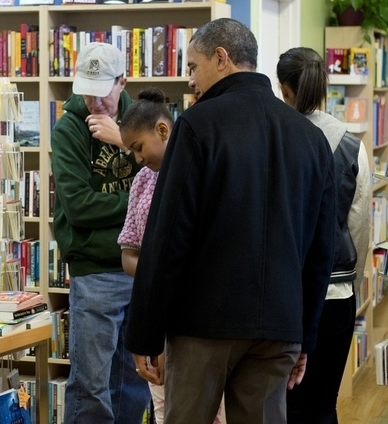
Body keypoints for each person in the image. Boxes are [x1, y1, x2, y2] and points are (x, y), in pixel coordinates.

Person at [125, 18, 337, 424]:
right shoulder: (310, 138)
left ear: (221, 58)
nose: (190, 81)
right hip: (280, 326)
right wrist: (305, 336)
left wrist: (144, 332)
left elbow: (168, 236)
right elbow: (320, 251)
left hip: (203, 323)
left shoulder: (197, 125)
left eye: (192, 66)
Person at [51, 41, 150, 424]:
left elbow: (167, 179)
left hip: (139, 268)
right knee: (91, 385)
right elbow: (79, 206)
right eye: (86, 92)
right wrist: (140, 202)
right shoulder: (68, 130)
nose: (94, 103)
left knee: (133, 381)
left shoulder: (142, 121)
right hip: (94, 271)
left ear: (122, 81)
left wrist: (123, 139)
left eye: (102, 92)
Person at [118, 87, 224, 424]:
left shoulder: (206, 168)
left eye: (138, 148)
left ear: (163, 131)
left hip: (205, 319)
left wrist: (168, 268)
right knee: (164, 408)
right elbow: (128, 255)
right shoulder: (143, 182)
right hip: (159, 314)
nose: (137, 159)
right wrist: (162, 269)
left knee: (216, 409)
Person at [277, 47, 371, 424]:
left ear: (284, 90)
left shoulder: (277, 138)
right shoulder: (352, 145)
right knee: (323, 405)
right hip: (337, 294)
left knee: (286, 406)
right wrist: (353, 277)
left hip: (286, 296)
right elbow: (360, 225)